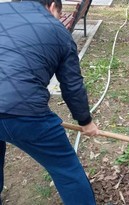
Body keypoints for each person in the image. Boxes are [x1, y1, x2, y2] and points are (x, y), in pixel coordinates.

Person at [0, 0, 98, 204]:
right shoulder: (59, 32)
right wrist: (85, 122)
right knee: (66, 170)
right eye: (59, 15)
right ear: (53, 6)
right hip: (24, 113)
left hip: (15, 106)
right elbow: (72, 86)